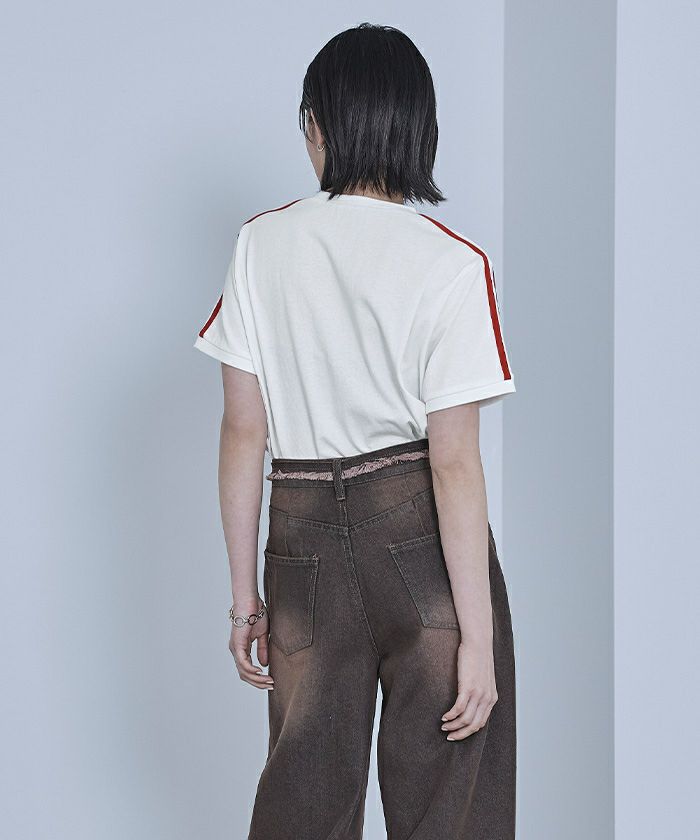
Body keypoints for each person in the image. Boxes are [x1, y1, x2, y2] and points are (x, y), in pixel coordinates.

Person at [194, 22, 516, 840]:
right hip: (422, 544)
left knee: (303, 803)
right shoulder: (452, 264)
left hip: (301, 539)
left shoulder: (260, 246)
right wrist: (478, 640)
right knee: (450, 807)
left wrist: (244, 601)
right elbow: (453, 463)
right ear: (420, 128)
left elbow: (242, 432)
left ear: (318, 125)